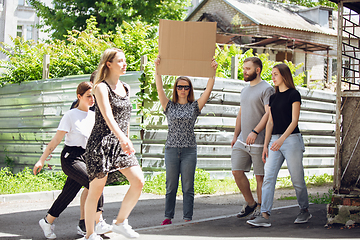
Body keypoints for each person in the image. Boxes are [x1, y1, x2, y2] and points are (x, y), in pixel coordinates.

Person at [33, 81, 112, 239]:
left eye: (94, 96)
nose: (92, 99)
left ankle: (47, 221)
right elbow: (56, 140)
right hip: (71, 158)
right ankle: (99, 220)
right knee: (94, 183)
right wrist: (41, 160)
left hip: (87, 157)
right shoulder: (70, 115)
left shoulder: (93, 115)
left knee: (68, 193)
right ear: (79, 96)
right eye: (88, 96)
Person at [83, 48, 145, 240]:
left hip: (120, 143)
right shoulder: (100, 87)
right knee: (96, 190)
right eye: (120, 61)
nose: (124, 64)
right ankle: (90, 234)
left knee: (138, 181)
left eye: (125, 60)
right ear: (108, 64)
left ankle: (120, 223)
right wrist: (122, 138)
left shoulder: (126, 87)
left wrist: (127, 139)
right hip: (101, 142)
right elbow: (108, 116)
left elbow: (125, 118)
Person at [154, 55, 218, 225]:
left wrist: (213, 71)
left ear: (190, 89)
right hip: (172, 149)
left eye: (186, 87)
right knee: (171, 186)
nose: (182, 89)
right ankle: (168, 217)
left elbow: (208, 90)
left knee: (188, 186)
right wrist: (157, 69)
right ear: (175, 89)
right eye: (180, 86)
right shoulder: (169, 105)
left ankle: (187, 218)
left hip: (189, 150)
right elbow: (159, 89)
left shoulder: (195, 106)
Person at [247, 63, 311, 227]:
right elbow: (270, 123)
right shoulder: (273, 98)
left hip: (291, 140)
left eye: (275, 74)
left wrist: (281, 139)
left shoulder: (293, 94)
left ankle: (304, 210)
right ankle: (264, 215)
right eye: (272, 74)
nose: (273, 77)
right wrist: (266, 145)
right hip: (274, 141)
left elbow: (294, 120)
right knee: (268, 178)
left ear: (284, 76)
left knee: (297, 178)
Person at [230, 57, 274, 219]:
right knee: (236, 171)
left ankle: (262, 210)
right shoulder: (244, 90)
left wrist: (255, 131)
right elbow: (241, 113)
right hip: (242, 140)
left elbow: (269, 113)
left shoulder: (267, 89)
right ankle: (251, 204)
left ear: (258, 70)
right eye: (244, 68)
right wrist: (235, 135)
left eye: (248, 69)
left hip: (259, 141)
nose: (244, 71)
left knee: (259, 177)